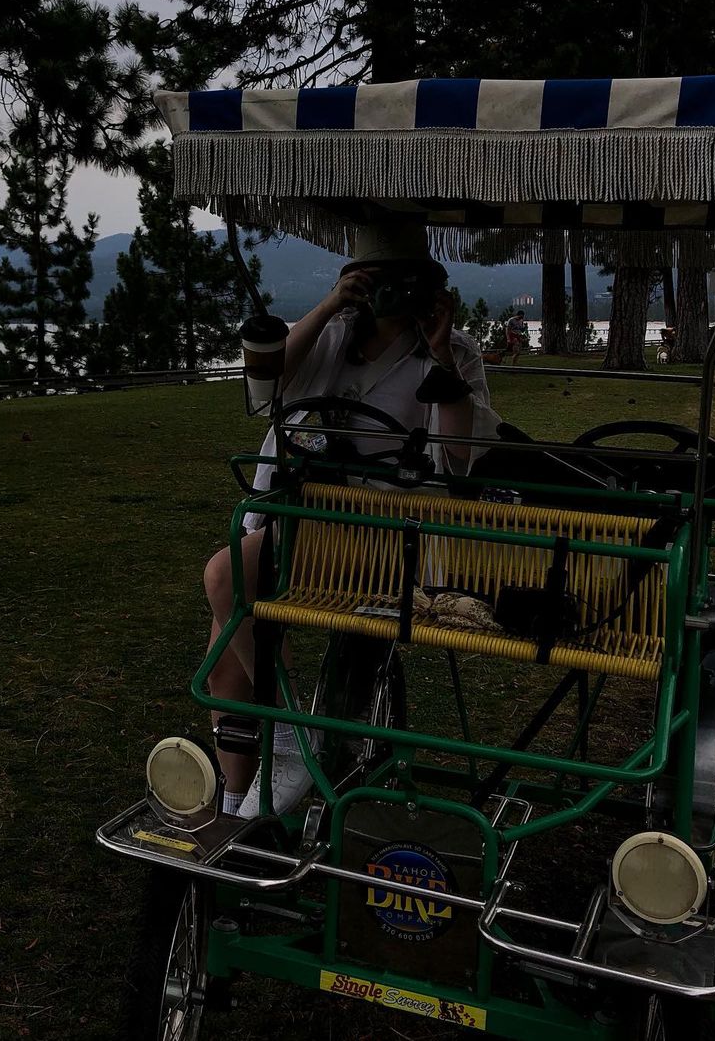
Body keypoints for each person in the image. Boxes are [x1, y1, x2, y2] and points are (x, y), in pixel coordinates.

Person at [202, 224, 501, 819]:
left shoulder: (453, 351)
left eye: (405, 284)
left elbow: (462, 454)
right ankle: (240, 800)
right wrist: (328, 305)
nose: (391, 295)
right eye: (375, 281)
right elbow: (265, 389)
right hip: (305, 519)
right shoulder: (331, 335)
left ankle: (285, 741)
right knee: (226, 648)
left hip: (390, 533)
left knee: (225, 581)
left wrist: (441, 353)